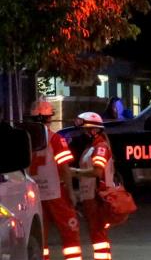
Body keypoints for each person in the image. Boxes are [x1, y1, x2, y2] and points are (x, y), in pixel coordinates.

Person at [29, 100, 82, 260]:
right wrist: (71, 192)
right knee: (69, 232)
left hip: (35, 194)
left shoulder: (27, 140)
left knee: (40, 235)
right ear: (49, 118)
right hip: (56, 192)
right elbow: (65, 168)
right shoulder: (55, 139)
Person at [70, 112, 114, 260]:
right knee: (97, 234)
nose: (83, 134)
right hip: (91, 197)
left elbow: (97, 172)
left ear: (94, 130)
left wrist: (74, 172)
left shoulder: (100, 148)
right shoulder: (93, 147)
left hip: (97, 197)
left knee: (98, 234)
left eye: (85, 130)